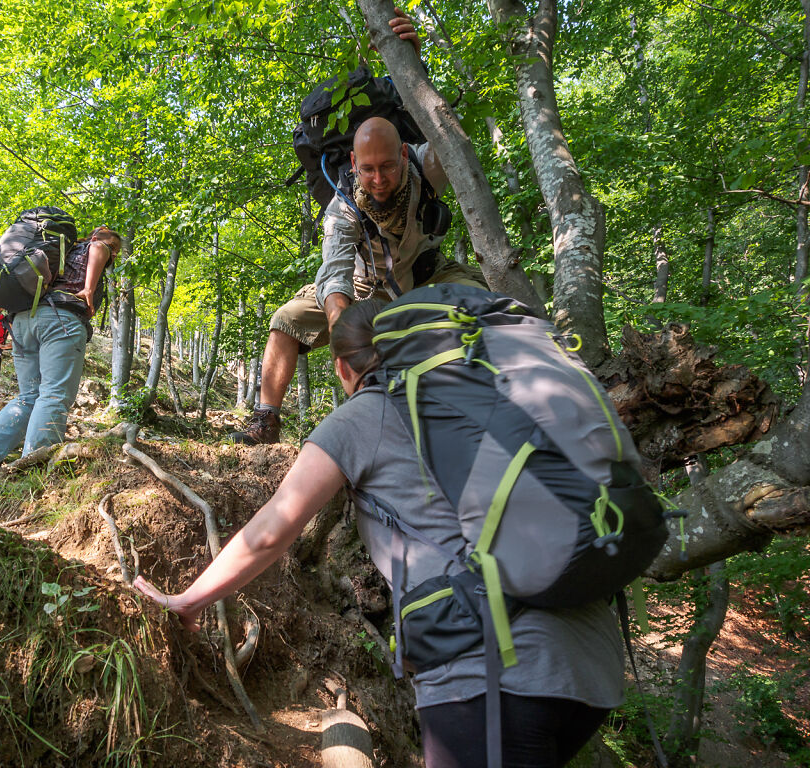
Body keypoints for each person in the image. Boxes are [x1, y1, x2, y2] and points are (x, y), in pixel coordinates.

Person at [138, 301, 624, 768]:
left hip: (492, 671)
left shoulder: (363, 416)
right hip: (590, 661)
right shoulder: (479, 405)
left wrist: (189, 600)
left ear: (343, 367)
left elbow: (271, 530)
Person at [229, 9, 487, 445]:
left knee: (485, 306)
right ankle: (265, 422)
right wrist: (344, 328)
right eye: (368, 169)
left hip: (427, 276)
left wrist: (414, 65)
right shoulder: (343, 202)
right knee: (286, 319)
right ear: (353, 164)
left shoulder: (429, 165)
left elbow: (449, 135)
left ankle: (482, 410)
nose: (380, 179)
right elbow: (333, 271)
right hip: (363, 284)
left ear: (405, 154)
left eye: (388, 166)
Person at [0, 226, 121, 469]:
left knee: (29, 395)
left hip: (23, 322)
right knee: (54, 394)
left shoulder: (57, 253)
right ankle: (36, 461)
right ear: (97, 235)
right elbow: (99, 247)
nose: (114, 255)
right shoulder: (92, 246)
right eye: (114, 248)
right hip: (60, 320)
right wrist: (89, 288)